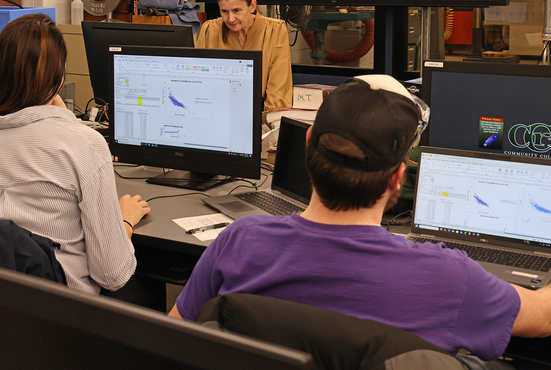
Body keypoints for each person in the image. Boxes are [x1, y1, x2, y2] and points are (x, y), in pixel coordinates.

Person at [169, 75, 551, 363]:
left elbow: (171, 340)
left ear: (307, 147)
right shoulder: (450, 277)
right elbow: (543, 317)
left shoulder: (238, 241)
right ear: (398, 177)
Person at [0, 14, 150, 296]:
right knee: (145, 289)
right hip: (64, 305)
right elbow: (112, 275)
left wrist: (61, 118)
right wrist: (125, 221)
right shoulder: (84, 144)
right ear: (58, 76)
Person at [196, 0, 292, 111]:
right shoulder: (210, 30)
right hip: (217, 112)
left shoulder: (274, 31)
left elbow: (278, 93)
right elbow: (199, 84)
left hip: (262, 117)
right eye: (224, 11)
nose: (230, 19)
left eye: (236, 11)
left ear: (252, 6)